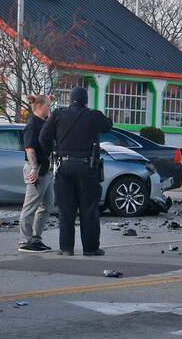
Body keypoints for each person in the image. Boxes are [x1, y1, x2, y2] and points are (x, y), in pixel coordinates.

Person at [40, 87, 112, 256]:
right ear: (85, 101)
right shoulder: (94, 115)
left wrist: (52, 153)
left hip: (64, 166)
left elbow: (43, 137)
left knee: (66, 210)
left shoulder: (58, 114)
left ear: (70, 99)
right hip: (87, 168)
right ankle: (90, 248)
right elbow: (108, 126)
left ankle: (66, 248)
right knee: (89, 209)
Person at [18, 94, 55, 253]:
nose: (50, 108)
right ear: (39, 106)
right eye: (48, 105)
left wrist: (49, 101)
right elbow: (29, 148)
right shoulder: (33, 124)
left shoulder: (44, 122)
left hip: (46, 170)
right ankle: (25, 241)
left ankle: (36, 239)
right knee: (30, 206)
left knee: (47, 205)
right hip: (37, 169)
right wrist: (34, 168)